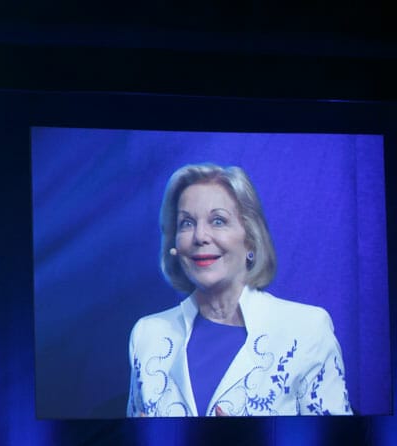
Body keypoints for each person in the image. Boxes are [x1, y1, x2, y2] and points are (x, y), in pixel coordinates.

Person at [128, 163, 352, 417]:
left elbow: (340, 441)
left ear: (251, 240)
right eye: (187, 223)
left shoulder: (307, 330)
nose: (200, 236)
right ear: (174, 244)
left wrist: (249, 439)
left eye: (218, 221)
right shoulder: (147, 335)